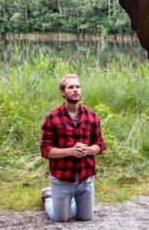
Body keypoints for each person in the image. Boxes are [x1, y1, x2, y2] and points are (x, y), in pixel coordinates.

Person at [40, 74, 106, 221]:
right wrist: (70, 151)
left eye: (78, 86)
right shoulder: (53, 118)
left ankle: (74, 200)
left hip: (85, 179)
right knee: (60, 218)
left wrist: (87, 150)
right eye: (71, 87)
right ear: (63, 92)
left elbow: (100, 145)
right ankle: (49, 197)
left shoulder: (91, 116)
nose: (75, 90)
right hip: (62, 179)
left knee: (86, 218)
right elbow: (45, 150)